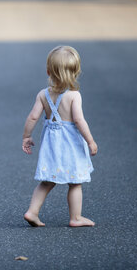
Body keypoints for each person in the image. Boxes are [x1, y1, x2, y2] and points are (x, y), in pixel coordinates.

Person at [21, 45, 98, 228]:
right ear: (76, 72)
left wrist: (26, 136)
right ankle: (76, 217)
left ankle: (32, 212)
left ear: (48, 71)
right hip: (70, 144)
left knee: (47, 181)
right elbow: (79, 121)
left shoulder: (43, 94)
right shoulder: (73, 96)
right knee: (75, 182)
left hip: (52, 144)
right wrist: (90, 141)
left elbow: (33, 116)